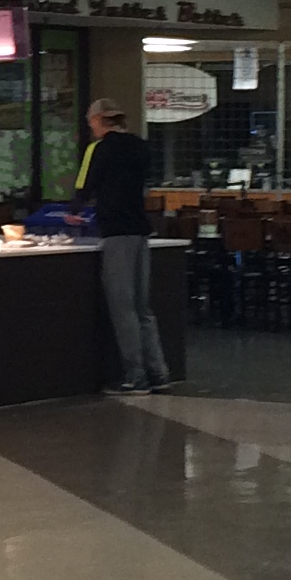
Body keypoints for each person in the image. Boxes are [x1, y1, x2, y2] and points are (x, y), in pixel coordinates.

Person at [78, 97, 169, 394]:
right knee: (143, 309)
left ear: (99, 120)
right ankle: (159, 373)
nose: (91, 127)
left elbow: (86, 188)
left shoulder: (100, 149)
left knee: (123, 308)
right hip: (141, 231)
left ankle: (136, 377)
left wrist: (74, 210)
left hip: (116, 233)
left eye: (91, 122)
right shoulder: (140, 146)